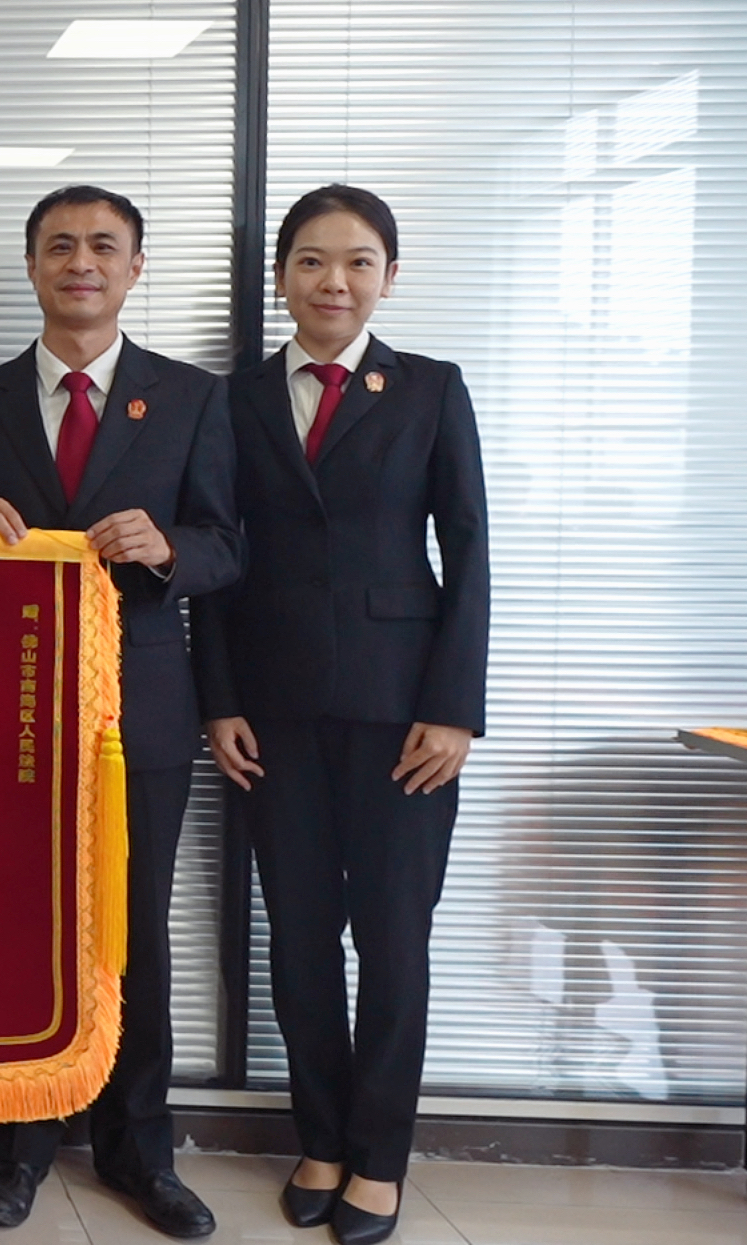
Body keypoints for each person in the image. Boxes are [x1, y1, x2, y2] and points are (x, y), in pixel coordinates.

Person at [0, 184, 240, 1240]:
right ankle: (17, 1146)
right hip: (3, 712)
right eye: (59, 245)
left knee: (131, 933)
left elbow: (229, 544)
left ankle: (139, 1152)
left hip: (138, 713)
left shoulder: (190, 398)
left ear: (135, 268)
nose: (81, 262)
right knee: (15, 926)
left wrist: (169, 548)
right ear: (32, 266)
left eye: (104, 245)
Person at [192, 185, 489, 1245]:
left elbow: (469, 548)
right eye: (312, 261)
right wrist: (219, 700)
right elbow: (214, 555)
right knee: (302, 934)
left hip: (403, 716)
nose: (334, 281)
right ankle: (319, 1139)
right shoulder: (232, 400)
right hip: (272, 715)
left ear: (389, 278)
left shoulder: (430, 388)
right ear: (281, 277)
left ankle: (381, 1156)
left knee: (394, 937)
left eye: (359, 261)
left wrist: (454, 710)